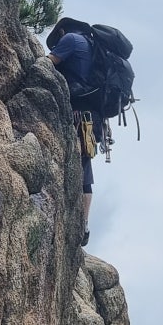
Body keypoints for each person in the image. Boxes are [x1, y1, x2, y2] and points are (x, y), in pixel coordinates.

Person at [47, 21, 103, 245]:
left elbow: (49, 63)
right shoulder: (92, 46)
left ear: (62, 31)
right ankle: (84, 223)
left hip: (77, 114)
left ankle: (73, 220)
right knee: (85, 168)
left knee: (72, 161)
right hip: (94, 120)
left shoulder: (70, 40)